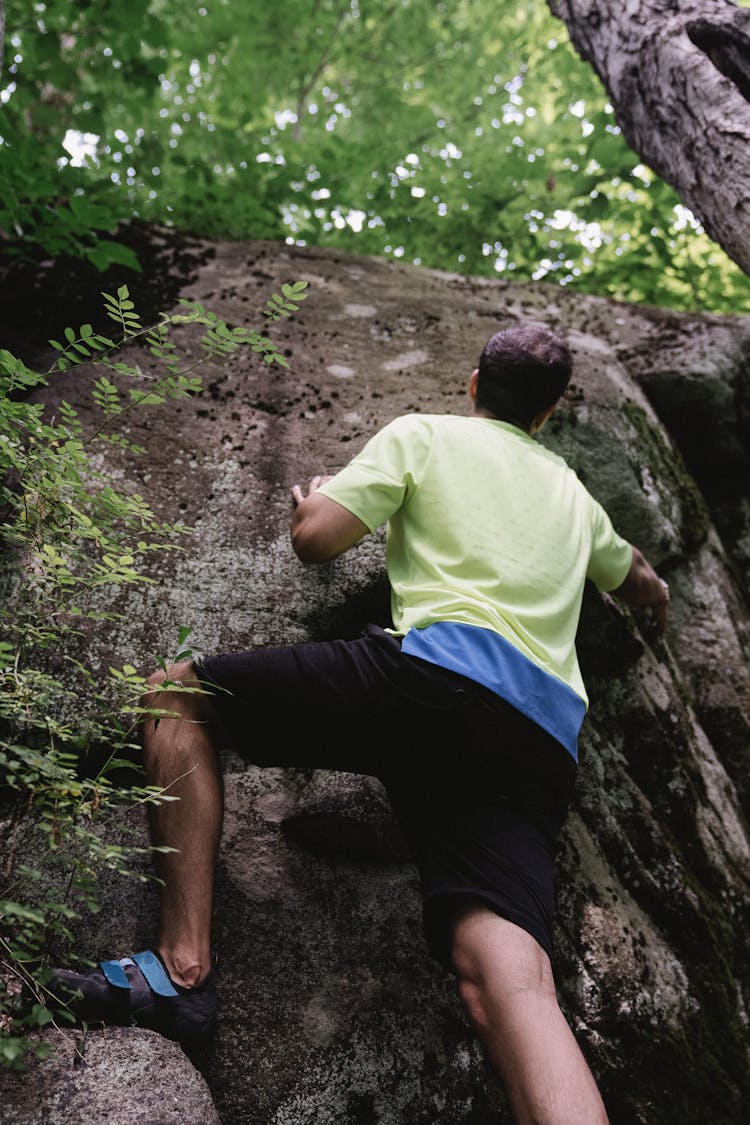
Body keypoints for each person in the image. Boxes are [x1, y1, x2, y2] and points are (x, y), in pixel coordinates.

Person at [50, 323, 669, 1124]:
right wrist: (655, 603)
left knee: (174, 695)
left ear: (475, 385)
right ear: (550, 414)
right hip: (541, 743)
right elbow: (640, 578)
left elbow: (318, 541)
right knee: (509, 983)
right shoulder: (576, 498)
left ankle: (181, 970)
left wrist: (311, 501)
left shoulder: (426, 435)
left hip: (434, 683)